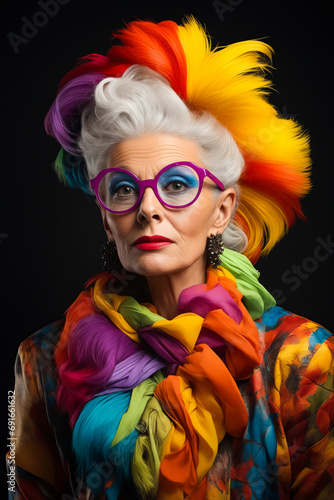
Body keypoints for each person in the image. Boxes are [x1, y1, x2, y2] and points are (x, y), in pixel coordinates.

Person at [7, 17, 333, 500]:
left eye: (176, 185)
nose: (148, 209)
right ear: (105, 219)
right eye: (123, 190)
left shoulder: (302, 359)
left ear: (222, 211)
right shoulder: (41, 360)